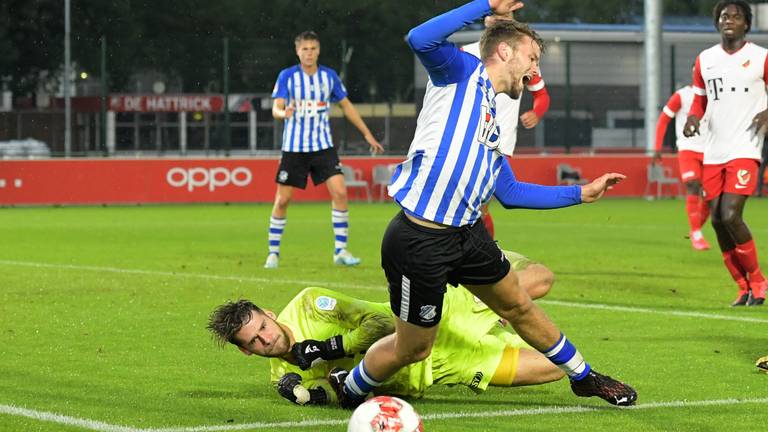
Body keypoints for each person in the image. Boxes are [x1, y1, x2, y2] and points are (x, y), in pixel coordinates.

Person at [332, 0, 637, 409]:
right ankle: (347, 388)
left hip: (467, 236)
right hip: (418, 242)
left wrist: (580, 193)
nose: (534, 71)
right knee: (414, 349)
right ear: (505, 51)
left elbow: (509, 194)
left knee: (519, 305)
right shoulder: (460, 72)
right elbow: (419, 37)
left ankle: (584, 377)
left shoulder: (492, 116)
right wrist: (486, 4)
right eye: (531, 58)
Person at [206, 254, 565, 407]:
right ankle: (509, 320)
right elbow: (337, 394)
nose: (267, 337)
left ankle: (494, 279)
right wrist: (307, 396)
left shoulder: (308, 303)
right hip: (437, 368)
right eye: (255, 341)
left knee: (540, 278)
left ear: (268, 313)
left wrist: (326, 348)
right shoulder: (282, 375)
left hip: (436, 315)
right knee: (556, 368)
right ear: (247, 351)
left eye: (263, 326)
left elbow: (379, 325)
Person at [265, 31, 384, 269]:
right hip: (294, 148)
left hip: (323, 147)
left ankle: (340, 251)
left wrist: (366, 133)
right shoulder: (287, 76)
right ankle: (273, 253)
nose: (309, 53)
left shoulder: (329, 77)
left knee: (340, 192)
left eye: (313, 49)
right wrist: (282, 113)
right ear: (297, 51)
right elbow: (276, 107)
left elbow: (346, 106)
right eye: (304, 49)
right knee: (283, 200)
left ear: (318, 50)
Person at [684, 0, 768, 306]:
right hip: (713, 148)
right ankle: (741, 286)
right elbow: (699, 100)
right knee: (717, 220)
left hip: (746, 146)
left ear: (746, 23)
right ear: (717, 22)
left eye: (735, 16)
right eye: (723, 15)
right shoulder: (705, 60)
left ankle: (758, 282)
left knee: (731, 213)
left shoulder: (761, 57)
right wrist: (694, 117)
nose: (728, 19)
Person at [462, 12, 551, 239]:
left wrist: (536, 112)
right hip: (467, 138)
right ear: (485, 21)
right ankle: (481, 257)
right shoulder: (467, 52)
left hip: (500, 141)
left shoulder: (524, 60)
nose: (499, 19)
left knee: (480, 205)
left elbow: (542, 95)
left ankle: (483, 255)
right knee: (472, 205)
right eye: (494, 14)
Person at [654, 71, 712, 251]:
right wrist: (657, 148)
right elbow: (663, 120)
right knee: (693, 185)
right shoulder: (682, 95)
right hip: (688, 148)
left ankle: (696, 228)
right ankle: (696, 234)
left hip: (712, 150)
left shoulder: (716, 95)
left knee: (711, 196)